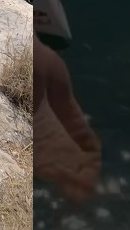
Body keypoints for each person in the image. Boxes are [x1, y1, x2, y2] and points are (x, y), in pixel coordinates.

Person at [34, 34, 100, 203]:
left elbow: (70, 116)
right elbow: (71, 116)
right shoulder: (47, 60)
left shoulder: (46, 60)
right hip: (57, 171)